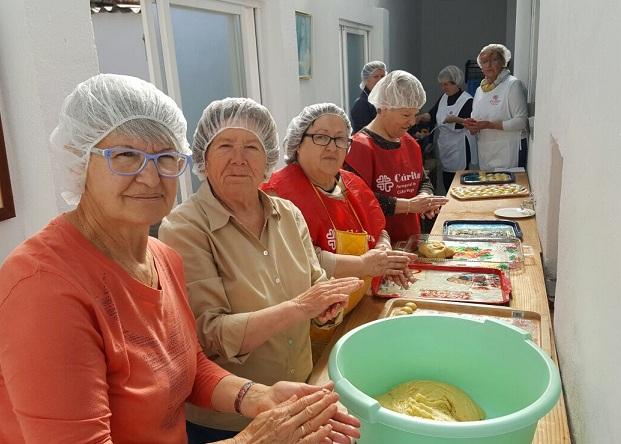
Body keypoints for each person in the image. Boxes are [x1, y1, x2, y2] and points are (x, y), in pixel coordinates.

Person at [0, 74, 361, 444]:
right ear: (80, 160)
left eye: (166, 158)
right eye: (126, 156)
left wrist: (259, 396)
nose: (150, 177)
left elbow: (188, 368)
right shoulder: (43, 286)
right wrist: (253, 441)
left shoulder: (161, 257)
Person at [158, 97, 363, 443]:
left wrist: (327, 311)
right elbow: (208, 334)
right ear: (203, 158)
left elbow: (316, 287)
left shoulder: (289, 214)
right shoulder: (184, 228)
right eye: (225, 145)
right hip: (229, 422)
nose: (239, 158)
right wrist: (300, 307)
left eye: (252, 146)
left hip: (297, 395)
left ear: (267, 158)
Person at [262, 103, 416, 355]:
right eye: (321, 137)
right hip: (310, 330)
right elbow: (299, 259)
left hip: (358, 311)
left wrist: (384, 255)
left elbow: (380, 230)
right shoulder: (276, 193)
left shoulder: (352, 183)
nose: (332, 146)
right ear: (298, 143)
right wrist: (365, 264)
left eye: (340, 139)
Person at [345, 70, 449, 245]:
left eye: (415, 114)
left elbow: (422, 179)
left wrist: (425, 198)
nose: (412, 122)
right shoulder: (359, 147)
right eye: (406, 115)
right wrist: (409, 206)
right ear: (383, 108)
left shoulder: (410, 143)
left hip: (410, 239)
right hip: (378, 245)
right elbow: (359, 199)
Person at [463, 43, 528, 170]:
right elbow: (475, 120)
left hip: (509, 151)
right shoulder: (479, 91)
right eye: (484, 62)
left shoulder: (512, 85)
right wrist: (472, 127)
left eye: (494, 60)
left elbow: (521, 121)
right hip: (486, 153)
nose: (488, 65)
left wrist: (489, 125)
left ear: (504, 62)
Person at [417, 65, 478, 191]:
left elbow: (472, 124)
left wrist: (455, 119)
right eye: (442, 84)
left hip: (460, 146)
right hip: (446, 145)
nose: (443, 88)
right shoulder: (444, 97)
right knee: (447, 181)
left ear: (456, 83)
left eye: (446, 84)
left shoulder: (467, 100)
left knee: (460, 184)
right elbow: (432, 115)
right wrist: (421, 117)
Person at [350, 61, 386, 133]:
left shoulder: (384, 99)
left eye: (382, 76)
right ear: (366, 80)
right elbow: (366, 134)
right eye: (376, 77)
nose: (380, 80)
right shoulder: (361, 105)